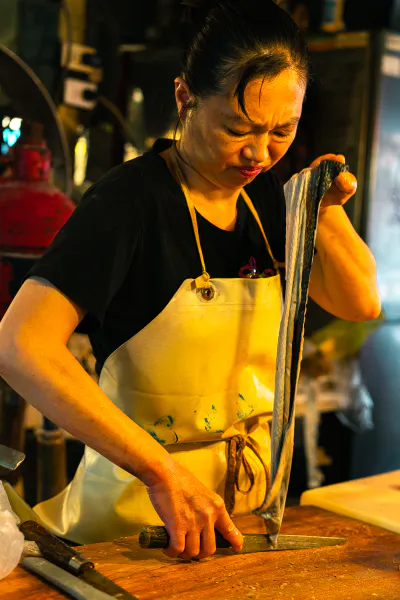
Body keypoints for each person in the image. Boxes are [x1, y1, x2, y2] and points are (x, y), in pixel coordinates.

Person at [0, 0, 380, 558]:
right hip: (133, 528)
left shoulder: (272, 198)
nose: (258, 153)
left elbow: (361, 302)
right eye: (236, 128)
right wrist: (161, 472)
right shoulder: (129, 201)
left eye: (282, 129)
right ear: (184, 98)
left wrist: (321, 209)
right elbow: (18, 343)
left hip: (241, 522)